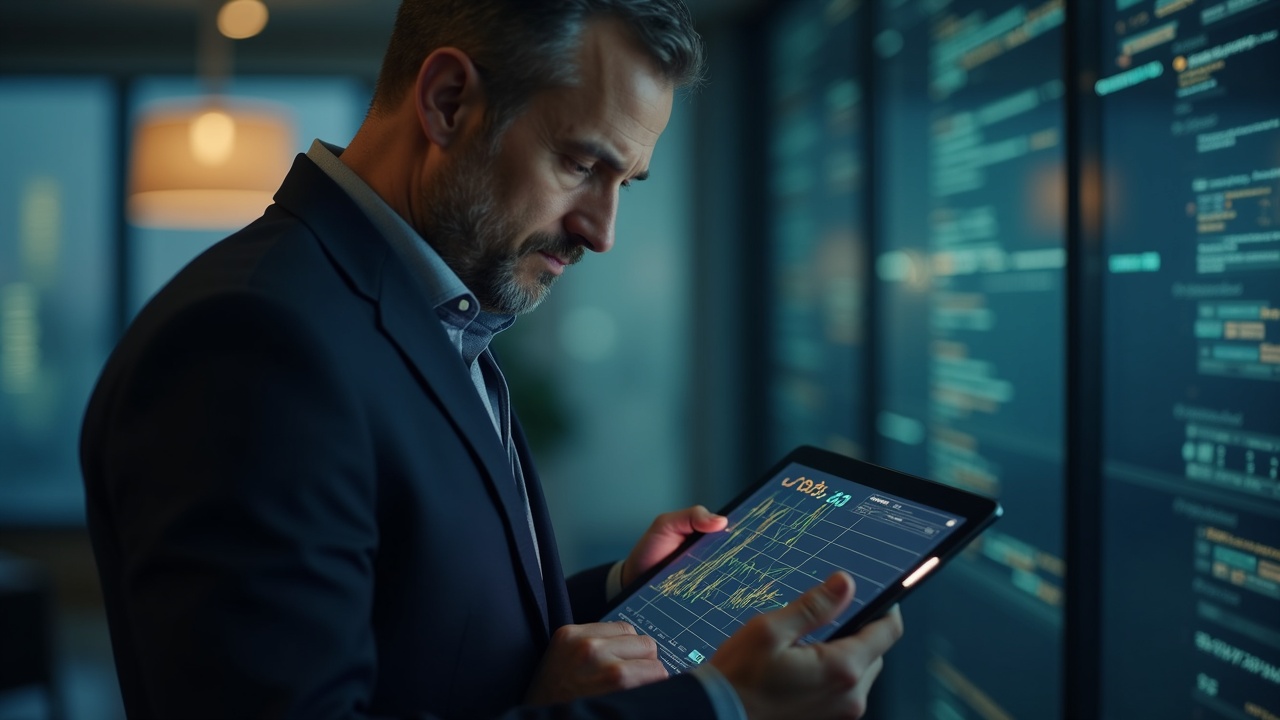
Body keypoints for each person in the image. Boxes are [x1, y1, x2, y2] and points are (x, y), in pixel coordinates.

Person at [79, 1, 904, 718]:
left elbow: (421, 635)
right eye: (583, 164)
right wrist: (720, 704)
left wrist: (624, 592)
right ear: (447, 102)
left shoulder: (431, 308)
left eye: (628, 182)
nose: (601, 230)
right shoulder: (252, 342)